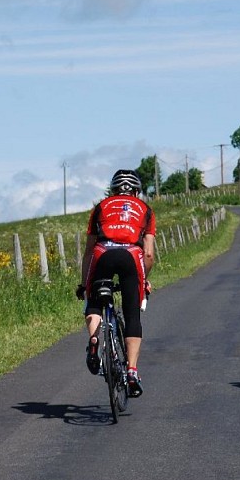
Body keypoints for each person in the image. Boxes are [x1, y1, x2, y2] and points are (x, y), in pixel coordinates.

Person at [76, 169, 156, 398]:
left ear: (112, 190)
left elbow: (89, 251)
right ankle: (131, 371)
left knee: (94, 300)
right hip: (131, 256)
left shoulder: (100, 207)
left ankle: (94, 339)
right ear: (137, 191)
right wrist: (144, 280)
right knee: (132, 315)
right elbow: (148, 254)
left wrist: (84, 285)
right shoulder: (146, 211)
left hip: (103, 254)